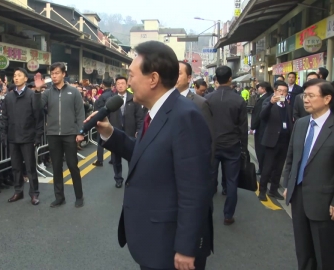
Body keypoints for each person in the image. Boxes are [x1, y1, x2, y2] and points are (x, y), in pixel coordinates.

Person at [87, 40, 213, 270]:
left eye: (132, 75)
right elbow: (145, 154)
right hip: (154, 239)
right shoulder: (157, 113)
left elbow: (195, 189)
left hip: (171, 245)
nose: (129, 81)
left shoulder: (185, 116)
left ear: (153, 79)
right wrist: (110, 134)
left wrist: (186, 247)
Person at [283, 79, 334, 269]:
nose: (306, 100)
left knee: (324, 253)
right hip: (298, 197)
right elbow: (291, 157)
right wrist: (288, 182)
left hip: (323, 201)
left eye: (311, 96)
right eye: (305, 96)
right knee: (303, 251)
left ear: (327, 98)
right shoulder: (302, 124)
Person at [33, 62, 85, 208]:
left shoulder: (73, 92)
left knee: (72, 165)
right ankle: (59, 197)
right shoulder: (47, 93)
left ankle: (79, 196)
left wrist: (81, 132)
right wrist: (37, 90)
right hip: (53, 134)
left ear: (64, 74)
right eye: (52, 73)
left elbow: (80, 113)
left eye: (57, 73)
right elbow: (37, 109)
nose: (54, 76)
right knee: (56, 166)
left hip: (70, 134)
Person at [205, 65, 248, 225]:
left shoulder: (208, 99)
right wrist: (244, 148)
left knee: (209, 180)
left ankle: (205, 212)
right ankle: (228, 215)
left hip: (212, 145)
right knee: (232, 181)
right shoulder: (239, 100)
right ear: (230, 79)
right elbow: (243, 128)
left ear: (216, 79)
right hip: (232, 145)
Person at [2, 68, 43, 205]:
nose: (16, 78)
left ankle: (34, 193)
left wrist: (37, 137)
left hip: (27, 137)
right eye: (14, 75)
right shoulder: (8, 97)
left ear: (26, 78)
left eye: (19, 75)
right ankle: (18, 191)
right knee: (16, 167)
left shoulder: (32, 95)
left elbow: (38, 117)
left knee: (30, 167)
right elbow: (4, 117)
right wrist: (4, 135)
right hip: (13, 137)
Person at [258, 81, 292, 201]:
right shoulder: (268, 101)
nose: (282, 93)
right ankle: (262, 191)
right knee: (267, 167)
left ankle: (273, 190)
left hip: (284, 140)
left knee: (279, 168)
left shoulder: (287, 104)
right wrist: (271, 104)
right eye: (280, 91)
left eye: (285, 91)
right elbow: (262, 116)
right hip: (272, 140)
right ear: (275, 91)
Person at [107, 76, 143, 188]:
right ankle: (118, 179)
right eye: (118, 83)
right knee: (116, 158)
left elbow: (140, 117)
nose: (120, 85)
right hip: (115, 132)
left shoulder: (134, 99)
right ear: (115, 86)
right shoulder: (111, 99)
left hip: (130, 132)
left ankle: (132, 179)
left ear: (127, 85)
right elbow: (106, 116)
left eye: (123, 83)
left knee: (132, 157)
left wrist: (139, 130)